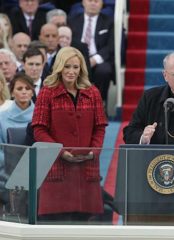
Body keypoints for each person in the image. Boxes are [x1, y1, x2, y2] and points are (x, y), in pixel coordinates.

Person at [31, 46, 108, 223]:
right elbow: (39, 130)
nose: (71, 71)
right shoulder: (47, 92)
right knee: (57, 223)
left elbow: (100, 128)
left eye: (76, 67)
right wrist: (61, 152)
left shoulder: (93, 92)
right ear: (59, 67)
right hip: (57, 169)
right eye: (67, 66)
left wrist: (93, 152)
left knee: (85, 224)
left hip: (86, 168)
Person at [68, 0, 115, 105]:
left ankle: (100, 103)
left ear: (102, 4)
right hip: (77, 58)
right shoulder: (72, 21)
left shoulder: (109, 22)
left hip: (99, 60)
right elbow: (70, 42)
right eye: (90, 0)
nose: (93, 3)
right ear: (83, 2)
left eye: (96, 1)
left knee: (104, 71)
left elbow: (111, 46)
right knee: (69, 68)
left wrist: (94, 59)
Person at [0, 72, 35, 209]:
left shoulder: (41, 115)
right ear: (12, 93)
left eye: (27, 89)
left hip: (34, 171)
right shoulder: (1, 118)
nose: (24, 92)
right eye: (20, 89)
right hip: (6, 172)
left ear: (32, 92)